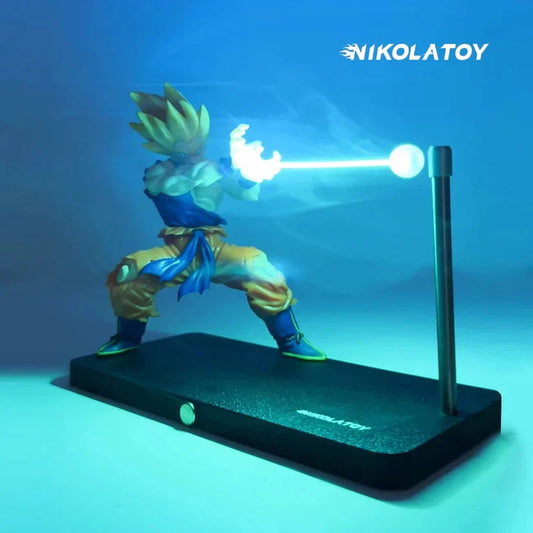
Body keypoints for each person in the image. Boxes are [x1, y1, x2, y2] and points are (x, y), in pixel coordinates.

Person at [97, 83, 326, 361]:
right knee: (129, 273)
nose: (195, 154)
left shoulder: (216, 169)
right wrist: (225, 167)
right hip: (175, 250)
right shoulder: (159, 172)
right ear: (167, 147)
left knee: (260, 268)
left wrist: (249, 175)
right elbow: (174, 186)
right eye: (186, 152)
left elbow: (243, 193)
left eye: (199, 148)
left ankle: (289, 339)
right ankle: (127, 337)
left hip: (214, 248)